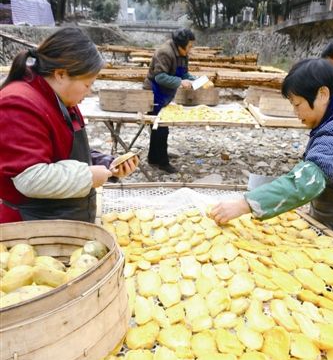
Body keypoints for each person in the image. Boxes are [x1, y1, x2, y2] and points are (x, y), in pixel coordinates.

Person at [210, 58, 333, 260]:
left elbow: (306, 181)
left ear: (323, 94)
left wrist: (245, 204)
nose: (296, 113)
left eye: (298, 104)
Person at [0, 27, 139, 224]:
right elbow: (30, 178)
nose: (89, 92)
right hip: (32, 225)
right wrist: (88, 176)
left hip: (63, 217)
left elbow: (65, 151)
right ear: (60, 74)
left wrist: (106, 163)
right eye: (87, 85)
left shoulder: (60, 99)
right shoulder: (18, 103)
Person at [143, 28, 196, 173]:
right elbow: (160, 77)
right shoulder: (165, 52)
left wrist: (195, 79)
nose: (191, 49)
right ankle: (162, 162)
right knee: (160, 127)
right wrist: (180, 82)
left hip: (165, 93)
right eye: (190, 46)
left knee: (159, 127)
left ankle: (154, 157)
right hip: (154, 92)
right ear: (181, 44)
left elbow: (184, 72)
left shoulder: (183, 54)